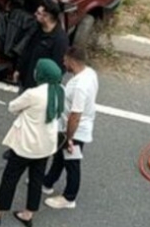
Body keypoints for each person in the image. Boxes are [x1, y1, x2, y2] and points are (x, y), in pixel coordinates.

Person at [0, 59, 64, 226]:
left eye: (37, 69)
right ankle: (28, 214)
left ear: (42, 74)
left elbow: (13, 107)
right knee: (36, 179)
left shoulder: (33, 94)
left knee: (10, 178)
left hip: (26, 145)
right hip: (45, 146)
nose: (35, 71)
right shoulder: (60, 91)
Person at [42, 46, 99, 209]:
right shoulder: (90, 73)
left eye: (65, 60)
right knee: (60, 157)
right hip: (75, 127)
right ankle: (47, 182)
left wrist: (69, 138)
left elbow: (76, 115)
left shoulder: (79, 86)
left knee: (72, 163)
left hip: (76, 131)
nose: (63, 62)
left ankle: (69, 197)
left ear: (72, 61)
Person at [13, 0, 69, 93]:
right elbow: (27, 50)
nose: (35, 14)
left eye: (39, 13)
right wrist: (19, 69)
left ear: (46, 17)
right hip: (26, 80)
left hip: (41, 88)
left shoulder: (60, 40)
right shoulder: (36, 28)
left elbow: (58, 68)